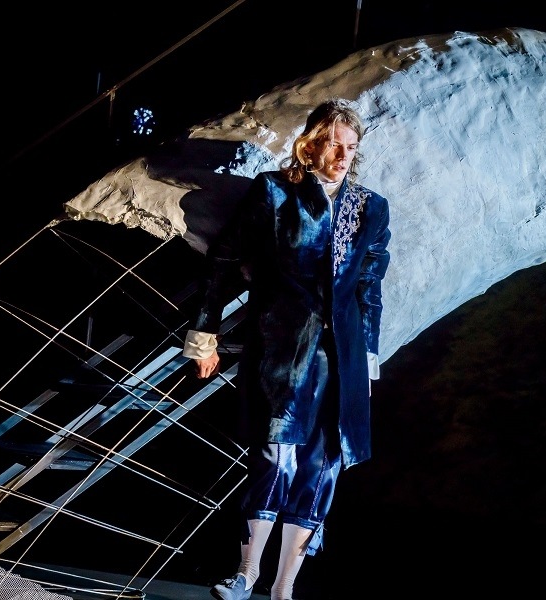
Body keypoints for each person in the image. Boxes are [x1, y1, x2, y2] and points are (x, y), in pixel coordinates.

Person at [182, 98, 392, 600]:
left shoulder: (372, 206)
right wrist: (203, 337)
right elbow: (223, 260)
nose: (343, 156)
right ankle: (246, 574)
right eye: (334, 144)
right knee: (276, 458)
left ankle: (284, 589)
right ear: (311, 145)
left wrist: (367, 360)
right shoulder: (276, 192)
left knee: (322, 466)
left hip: (341, 357)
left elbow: (369, 285)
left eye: (351, 147)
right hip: (281, 348)